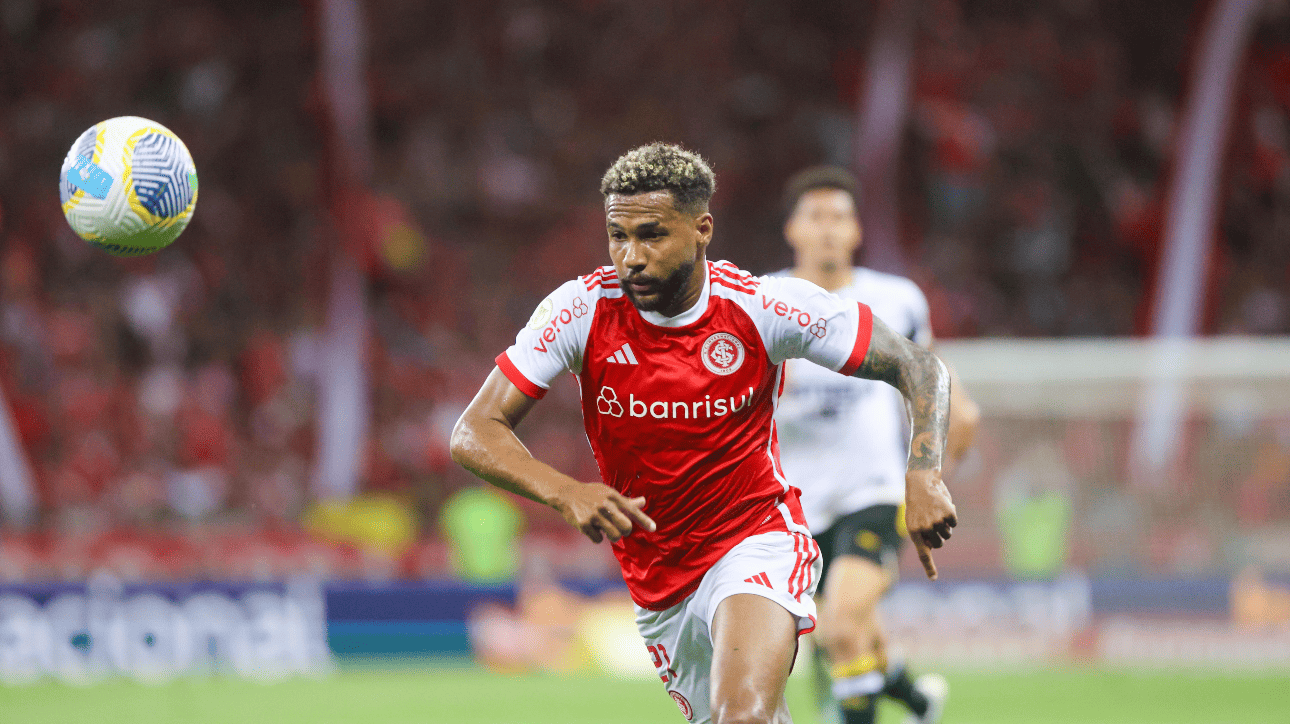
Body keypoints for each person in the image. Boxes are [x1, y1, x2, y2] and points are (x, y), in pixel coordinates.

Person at [450, 143, 957, 724]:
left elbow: (919, 365)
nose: (631, 257)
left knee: (743, 715)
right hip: (658, 575)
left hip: (755, 541)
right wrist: (566, 491)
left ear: (702, 230)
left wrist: (923, 473)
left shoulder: (764, 308)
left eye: (652, 235)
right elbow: (473, 431)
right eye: (618, 235)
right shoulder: (581, 311)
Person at [773, 166, 980, 724]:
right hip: (790, 506)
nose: (827, 230)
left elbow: (951, 404)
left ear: (857, 230)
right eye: (814, 217)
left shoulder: (895, 299)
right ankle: (917, 702)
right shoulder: (762, 303)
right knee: (846, 636)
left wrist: (929, 483)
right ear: (791, 229)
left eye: (839, 216)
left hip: (873, 490)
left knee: (840, 628)